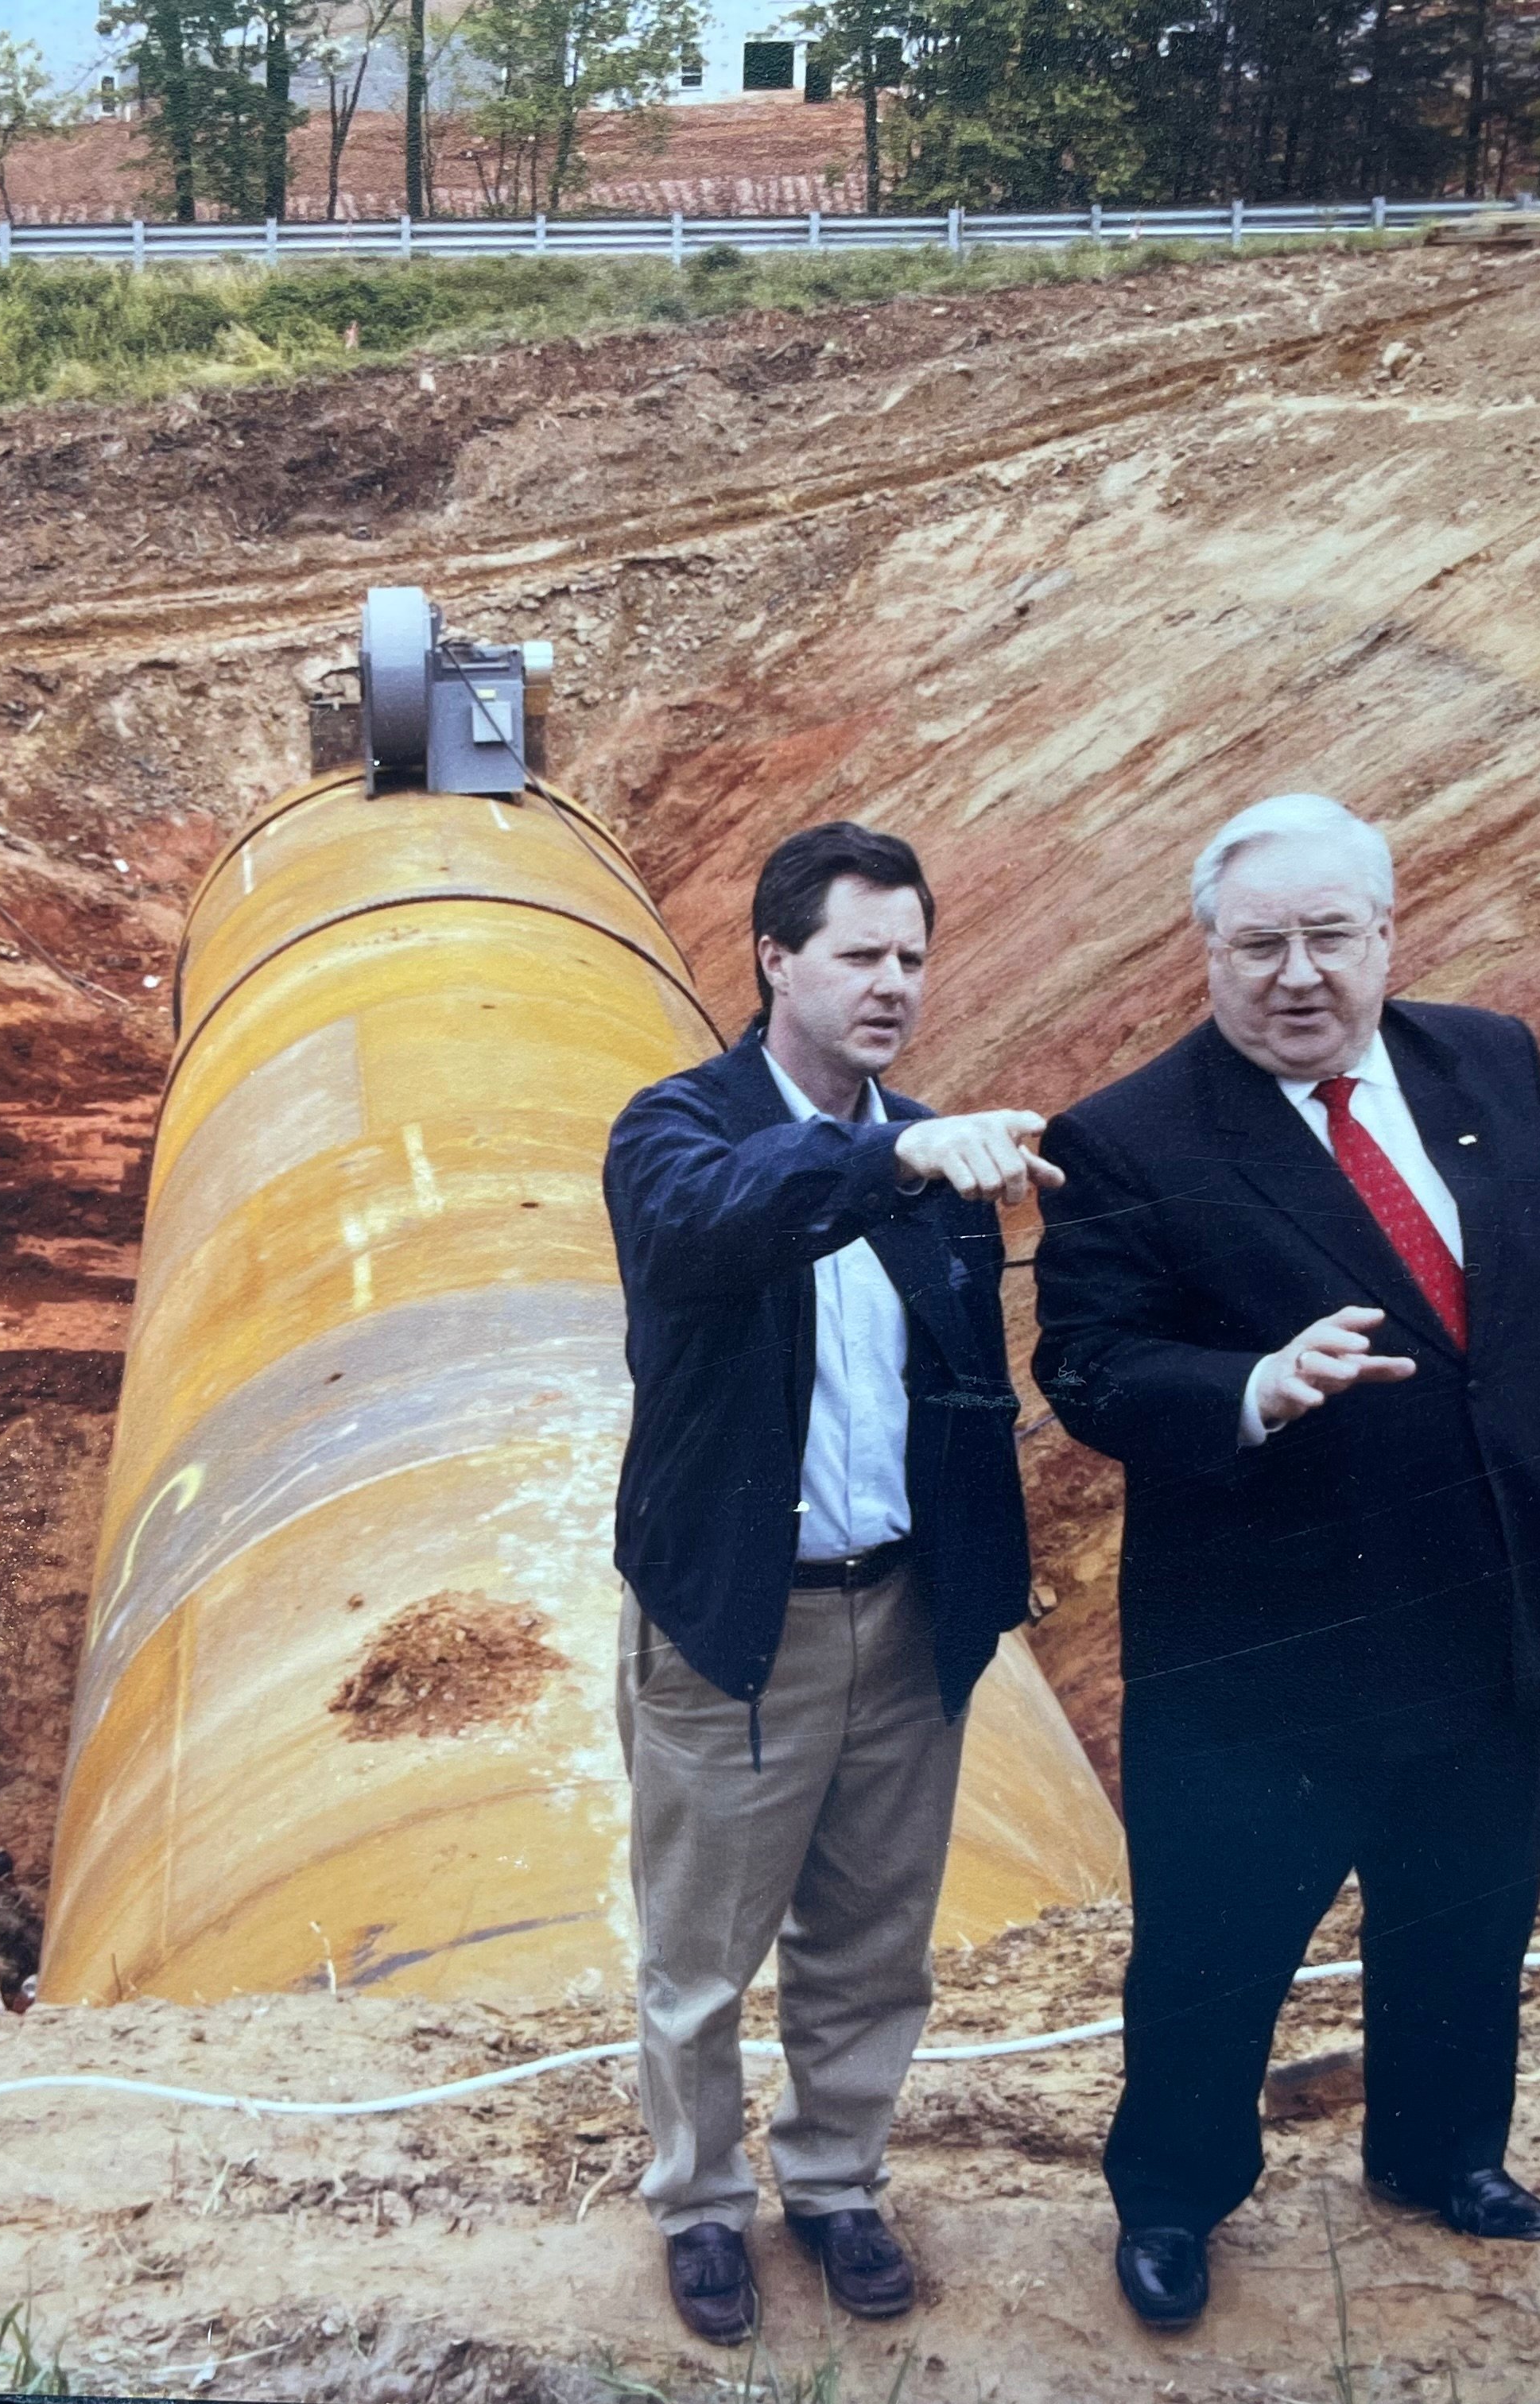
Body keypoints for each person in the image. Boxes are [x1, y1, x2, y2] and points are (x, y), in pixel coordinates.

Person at [1030, 793, 1540, 2333]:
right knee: (1215, 1960)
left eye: (1329, 938)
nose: (1299, 974)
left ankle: (1440, 2157)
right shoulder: (1127, 1140)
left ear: (1385, 938)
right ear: (1208, 953)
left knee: (1468, 1913)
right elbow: (1084, 1367)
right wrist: (1245, 1389)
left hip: (1490, 1623)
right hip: (1266, 1667)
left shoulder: (1489, 1062)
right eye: (1261, 944)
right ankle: (1172, 2199)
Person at [603, 821, 1065, 2345]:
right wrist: (888, 1157)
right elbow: (717, 1227)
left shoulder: (930, 1151)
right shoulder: (676, 1129)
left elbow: (963, 1391)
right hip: (741, 1625)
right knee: (700, 1957)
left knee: (873, 1943)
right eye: (860, 955)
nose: (892, 986)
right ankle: (700, 2204)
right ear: (775, 960)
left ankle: (838, 2181)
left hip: (901, 1614)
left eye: (914, 959)